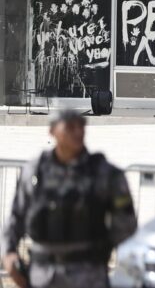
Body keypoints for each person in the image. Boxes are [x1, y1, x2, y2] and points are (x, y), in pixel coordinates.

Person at [1, 110, 137, 288]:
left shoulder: (105, 174)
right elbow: (15, 218)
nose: (78, 132)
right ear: (52, 131)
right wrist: (9, 254)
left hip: (88, 275)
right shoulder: (35, 172)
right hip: (43, 275)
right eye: (70, 127)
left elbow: (126, 227)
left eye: (81, 126)